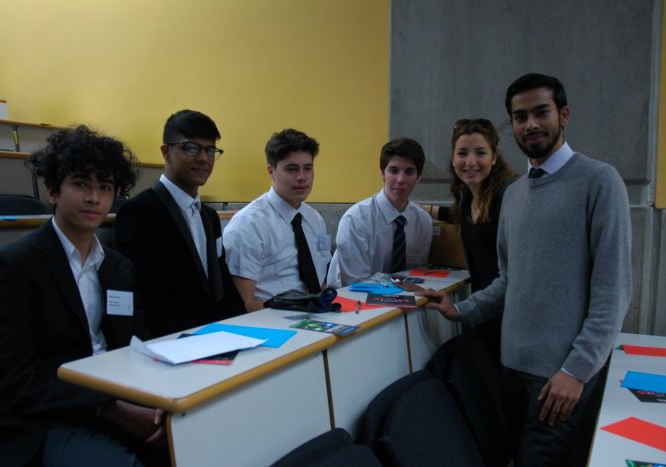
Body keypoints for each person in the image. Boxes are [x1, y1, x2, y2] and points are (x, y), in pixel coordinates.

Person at [418, 73, 632, 467]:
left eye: (541, 112)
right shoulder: (514, 195)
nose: (530, 124)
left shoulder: (599, 181)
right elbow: (508, 280)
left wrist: (577, 370)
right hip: (511, 366)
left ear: (564, 115)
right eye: (520, 117)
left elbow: (614, 290)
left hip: (559, 375)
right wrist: (461, 310)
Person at [0, 126, 165, 467]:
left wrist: (158, 398)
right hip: (48, 417)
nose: (94, 197)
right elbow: (15, 381)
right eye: (80, 184)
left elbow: (134, 344)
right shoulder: (13, 266)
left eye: (105, 187)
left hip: (119, 395)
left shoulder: (119, 267)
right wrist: (110, 408)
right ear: (52, 190)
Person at [114, 110, 245, 337]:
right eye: (191, 148)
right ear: (166, 152)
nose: (203, 158)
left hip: (215, 336)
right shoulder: (138, 212)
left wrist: (243, 329)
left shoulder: (209, 217)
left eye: (210, 150)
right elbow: (143, 294)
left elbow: (221, 284)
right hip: (170, 340)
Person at [222, 128, 331, 312]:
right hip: (272, 321)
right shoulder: (248, 225)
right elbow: (244, 304)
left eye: (308, 168)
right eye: (292, 169)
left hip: (316, 316)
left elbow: (319, 283)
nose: (302, 177)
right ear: (271, 171)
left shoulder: (315, 219)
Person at [442, 119, 515, 356]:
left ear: (494, 158)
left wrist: (464, 309)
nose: (470, 162)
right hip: (483, 315)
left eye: (480, 153)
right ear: (453, 158)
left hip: (511, 319)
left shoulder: (509, 196)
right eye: (462, 153)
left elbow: (516, 274)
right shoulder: (466, 202)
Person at [327, 138, 432, 287]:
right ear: (382, 173)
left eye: (409, 172)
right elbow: (355, 284)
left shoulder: (423, 222)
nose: (400, 179)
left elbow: (416, 274)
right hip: (351, 296)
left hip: (403, 297)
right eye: (393, 171)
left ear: (418, 177)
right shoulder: (356, 219)